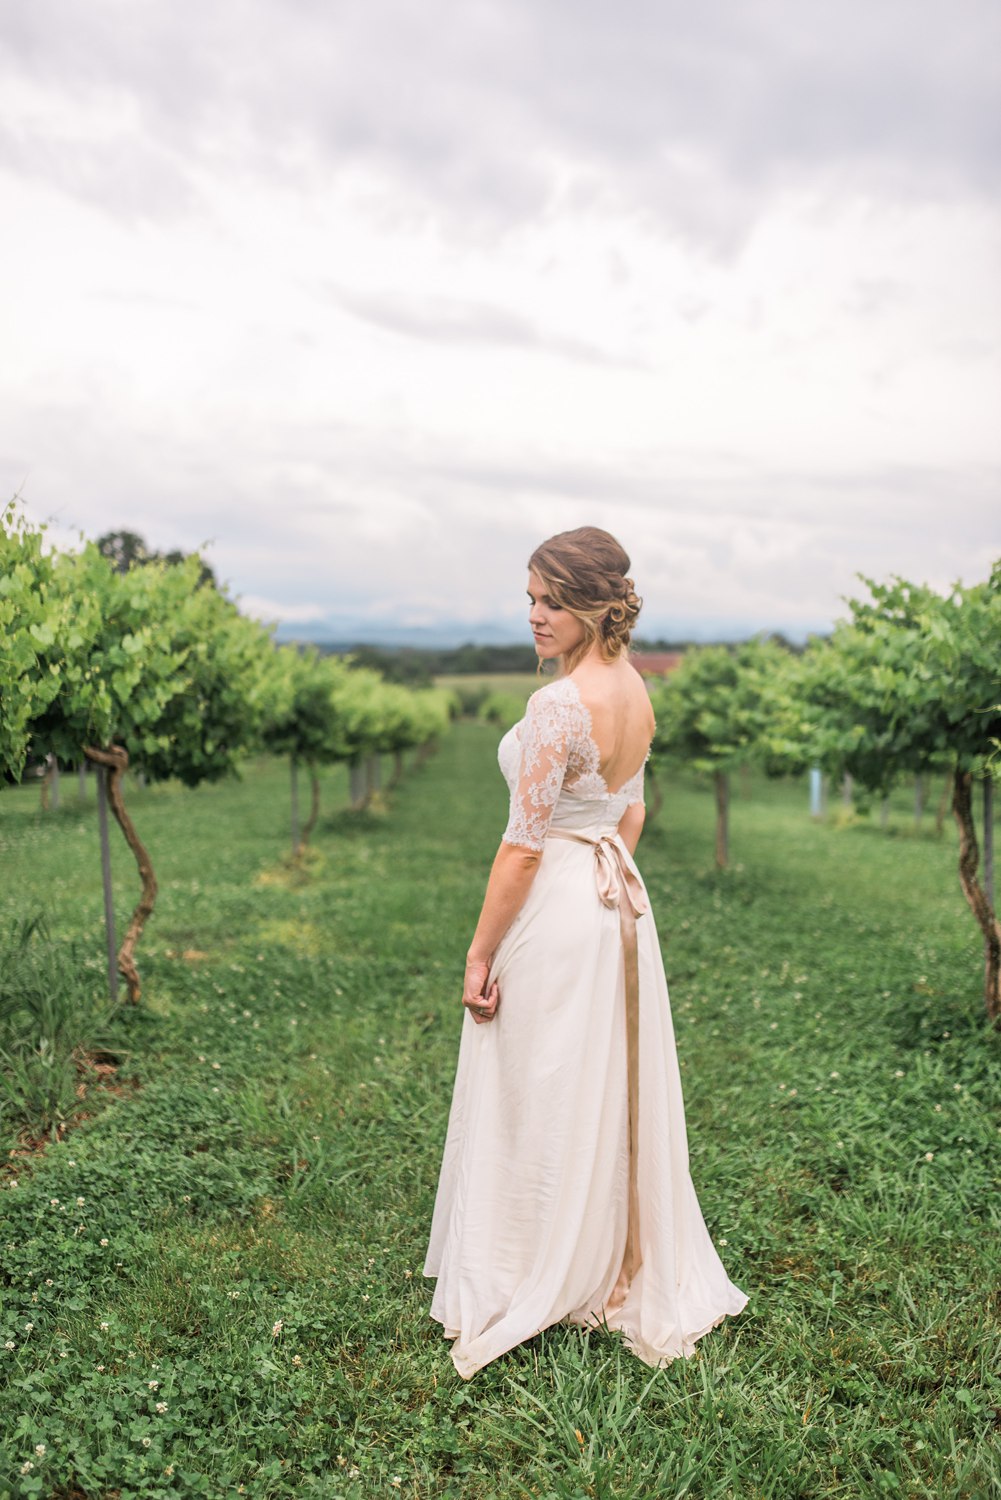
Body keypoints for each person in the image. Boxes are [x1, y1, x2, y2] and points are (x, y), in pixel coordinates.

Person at [423, 526, 747, 1378]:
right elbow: (629, 811)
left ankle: (529, 1266)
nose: (534, 614)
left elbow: (522, 847)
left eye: (550, 600)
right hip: (617, 905)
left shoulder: (557, 706)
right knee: (598, 1079)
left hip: (560, 904)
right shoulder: (635, 692)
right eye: (530, 597)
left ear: (596, 606)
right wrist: (607, 865)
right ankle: (598, 1261)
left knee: (540, 1078)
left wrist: (478, 952)